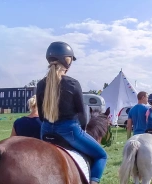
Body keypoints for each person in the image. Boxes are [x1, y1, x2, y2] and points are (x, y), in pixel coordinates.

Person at [37, 41, 107, 184]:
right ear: (67, 61)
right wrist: (81, 130)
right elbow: (82, 115)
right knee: (101, 155)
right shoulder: (73, 83)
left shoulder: (40, 84)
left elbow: (42, 115)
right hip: (69, 130)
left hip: (45, 131)